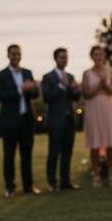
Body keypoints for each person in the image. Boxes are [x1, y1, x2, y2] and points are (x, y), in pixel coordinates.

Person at [0, 44, 40, 198]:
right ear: (8, 55)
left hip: (27, 121)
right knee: (9, 156)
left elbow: (35, 95)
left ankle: (28, 187)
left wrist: (32, 88)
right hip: (9, 122)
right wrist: (21, 89)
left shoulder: (27, 72)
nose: (16, 57)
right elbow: (1, 96)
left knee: (27, 155)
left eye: (18, 54)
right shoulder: (0, 75)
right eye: (13, 54)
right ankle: (10, 188)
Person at [81, 45, 112, 187]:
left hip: (108, 108)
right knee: (95, 143)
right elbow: (86, 94)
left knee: (111, 142)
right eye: (95, 54)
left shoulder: (111, 71)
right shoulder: (87, 73)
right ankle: (96, 175)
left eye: (100, 54)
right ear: (92, 56)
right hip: (93, 109)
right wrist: (99, 85)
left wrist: (106, 85)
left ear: (103, 56)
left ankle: (111, 174)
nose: (98, 57)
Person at [42, 47, 82, 192]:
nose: (64, 60)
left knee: (67, 152)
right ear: (55, 59)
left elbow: (76, 98)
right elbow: (47, 98)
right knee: (54, 152)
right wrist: (60, 85)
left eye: (66, 57)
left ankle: (66, 181)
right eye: (61, 57)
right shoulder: (48, 77)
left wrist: (76, 89)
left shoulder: (70, 76)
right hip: (55, 121)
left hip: (69, 120)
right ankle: (52, 182)